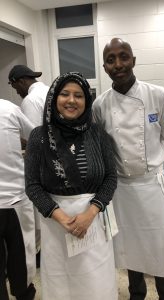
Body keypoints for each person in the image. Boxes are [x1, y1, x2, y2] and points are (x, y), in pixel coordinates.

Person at [93, 37, 164, 300]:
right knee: (130, 248)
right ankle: (136, 294)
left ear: (134, 60)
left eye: (124, 57)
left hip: (153, 186)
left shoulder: (158, 94)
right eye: (111, 59)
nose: (118, 64)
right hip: (123, 190)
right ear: (104, 66)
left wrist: (153, 160)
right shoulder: (100, 105)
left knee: (161, 248)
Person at [24, 72, 118, 300]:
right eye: (64, 94)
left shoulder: (98, 135)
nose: (71, 100)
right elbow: (32, 185)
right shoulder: (40, 137)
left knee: (96, 283)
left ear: (87, 101)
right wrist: (62, 218)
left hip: (93, 223)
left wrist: (91, 212)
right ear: (54, 98)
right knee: (61, 285)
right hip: (56, 227)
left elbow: (110, 178)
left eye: (78, 95)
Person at [8, 64, 49, 264]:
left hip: (43, 163)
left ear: (21, 81)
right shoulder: (48, 90)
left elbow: (33, 137)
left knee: (39, 213)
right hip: (56, 159)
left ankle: (39, 256)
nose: (17, 92)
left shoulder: (30, 100)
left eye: (15, 87)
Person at [0, 99, 36, 300]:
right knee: (22, 261)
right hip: (15, 199)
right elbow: (36, 136)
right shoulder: (8, 109)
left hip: (15, 199)